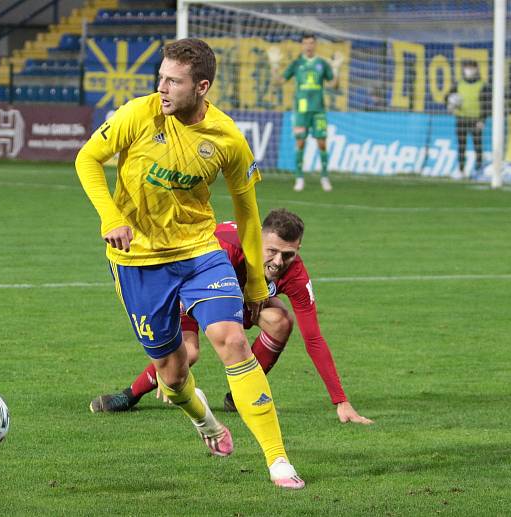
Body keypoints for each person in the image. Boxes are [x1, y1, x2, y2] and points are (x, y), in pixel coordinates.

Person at [75, 38, 304, 489]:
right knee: (174, 374)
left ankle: (278, 460)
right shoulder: (138, 114)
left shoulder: (227, 138)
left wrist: (256, 282)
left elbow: (247, 212)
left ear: (201, 87)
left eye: (173, 81)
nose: (161, 88)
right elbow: (87, 159)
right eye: (160, 78)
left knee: (232, 340)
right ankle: (204, 421)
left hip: (199, 252)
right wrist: (112, 216)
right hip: (137, 260)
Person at [91, 209, 373, 426]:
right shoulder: (226, 248)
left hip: (238, 298)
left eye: (288, 255)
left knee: (281, 321)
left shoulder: (295, 274)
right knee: (187, 354)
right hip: (192, 287)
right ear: (258, 239)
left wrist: (341, 401)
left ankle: (239, 396)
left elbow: (314, 338)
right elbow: (181, 279)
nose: (278, 262)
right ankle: (130, 394)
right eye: (272, 252)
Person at [272, 34, 342, 193]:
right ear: (302, 45)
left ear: (315, 45)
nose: (308, 46)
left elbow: (334, 85)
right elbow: (279, 81)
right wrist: (274, 65)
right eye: (305, 43)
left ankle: (324, 177)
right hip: (301, 111)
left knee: (322, 143)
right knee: (300, 143)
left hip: (318, 110)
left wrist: (336, 69)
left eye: (311, 43)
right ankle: (299, 178)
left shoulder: (322, 64)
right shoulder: (297, 64)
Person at [446, 59, 490, 179]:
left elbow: (487, 104)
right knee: (461, 146)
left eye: (471, 67)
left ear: (476, 69)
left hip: (476, 120)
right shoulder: (458, 84)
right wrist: (450, 105)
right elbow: (448, 97)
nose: (469, 70)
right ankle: (461, 170)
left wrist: (483, 119)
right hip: (461, 118)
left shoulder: (483, 85)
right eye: (466, 67)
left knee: (478, 145)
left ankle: (478, 170)